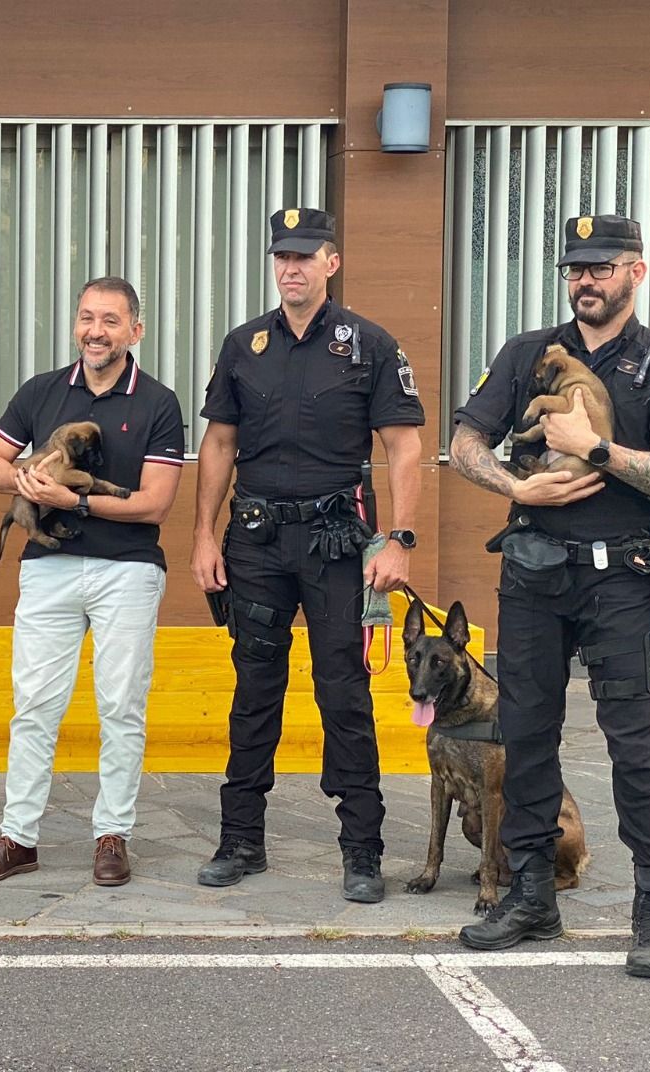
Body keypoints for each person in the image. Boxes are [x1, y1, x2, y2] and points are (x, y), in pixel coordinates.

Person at [449, 213, 650, 977]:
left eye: (601, 267)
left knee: (634, 741)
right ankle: (532, 895)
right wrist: (516, 481)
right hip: (534, 572)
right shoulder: (528, 354)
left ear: (637, 271)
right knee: (526, 732)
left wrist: (593, 448)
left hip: (623, 581)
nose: (585, 281)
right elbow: (466, 441)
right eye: (575, 268)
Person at [190, 207, 425, 903]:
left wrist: (400, 539)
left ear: (332, 262)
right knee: (254, 686)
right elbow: (220, 446)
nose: (292, 268)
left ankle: (362, 850)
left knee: (343, 692)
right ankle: (241, 841)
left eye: (306, 255)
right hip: (257, 540)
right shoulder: (244, 346)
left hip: (338, 543)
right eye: (282, 257)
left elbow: (404, 446)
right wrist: (203, 535)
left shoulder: (371, 346)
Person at [0, 277, 184, 888]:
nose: (96, 331)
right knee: (33, 707)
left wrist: (74, 503)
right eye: (87, 317)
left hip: (128, 570)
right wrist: (25, 483)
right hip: (48, 570)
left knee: (120, 707)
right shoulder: (41, 392)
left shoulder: (159, 403)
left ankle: (113, 834)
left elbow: (155, 504)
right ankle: (19, 838)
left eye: (111, 320)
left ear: (135, 331)